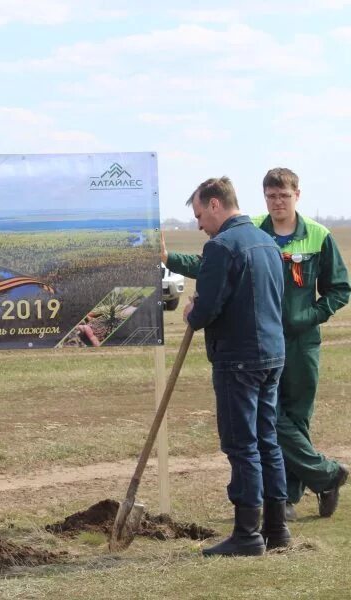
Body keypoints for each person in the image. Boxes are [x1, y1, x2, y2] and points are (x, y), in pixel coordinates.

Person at [165, 168, 350, 522]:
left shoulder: (318, 236)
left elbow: (339, 289)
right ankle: (316, 483)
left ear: (298, 195)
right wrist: (170, 258)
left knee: (292, 420)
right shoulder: (257, 232)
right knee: (273, 421)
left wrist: (307, 316)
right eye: (271, 196)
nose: (278, 202)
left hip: (299, 343)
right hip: (260, 339)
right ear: (263, 198)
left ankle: (296, 493)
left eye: (284, 196)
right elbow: (212, 266)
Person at [179, 177, 289, 556]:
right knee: (267, 440)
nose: (198, 225)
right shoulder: (268, 242)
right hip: (272, 355)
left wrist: (193, 311)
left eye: (198, 215)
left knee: (242, 445)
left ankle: (247, 535)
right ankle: (277, 528)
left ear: (214, 204)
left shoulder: (221, 247)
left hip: (238, 359)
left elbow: (205, 312)